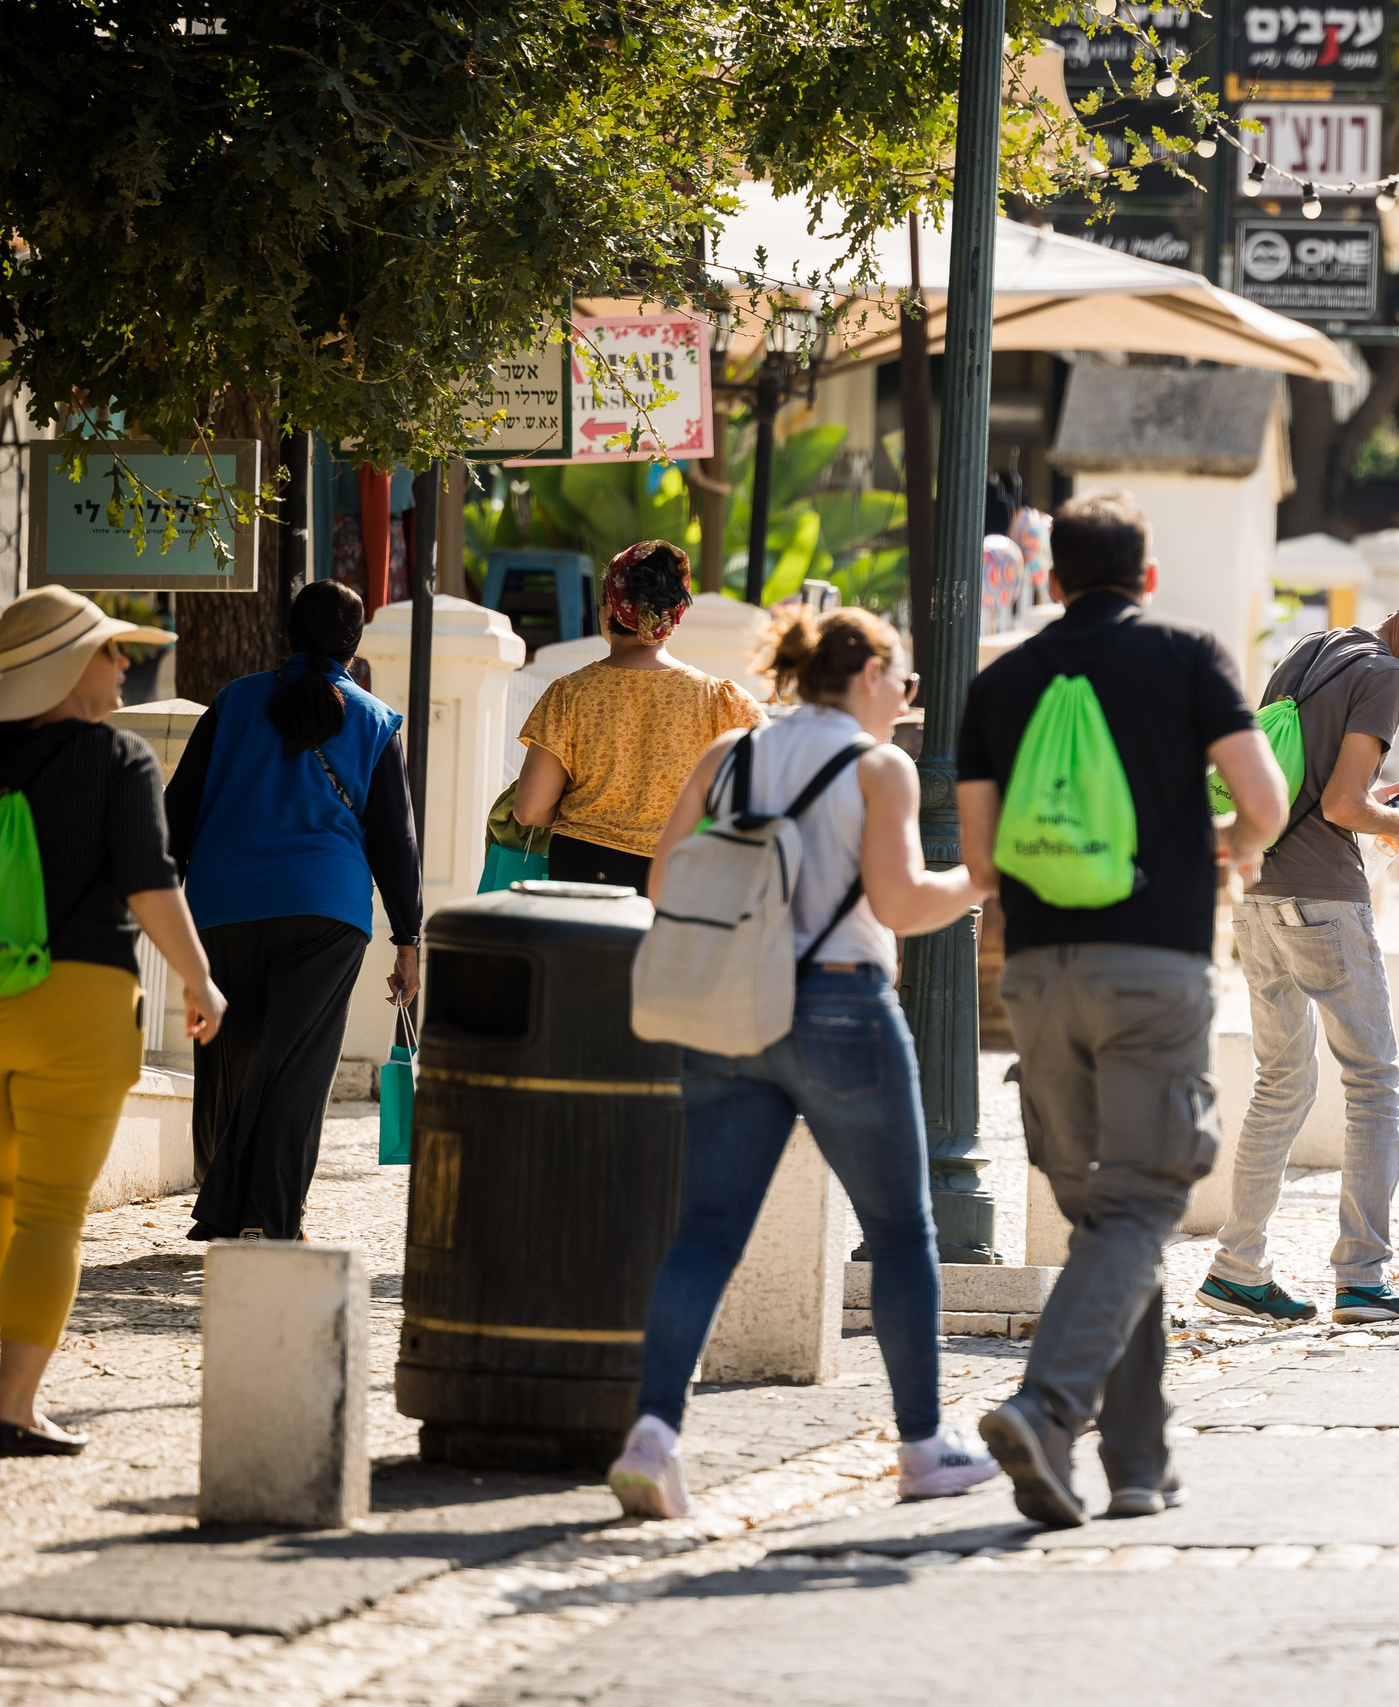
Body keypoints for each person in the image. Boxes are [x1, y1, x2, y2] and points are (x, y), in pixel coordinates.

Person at [606, 606, 999, 1517]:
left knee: (705, 1227)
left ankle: (653, 1434)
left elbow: (665, 881)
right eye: (902, 679)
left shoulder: (732, 754)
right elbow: (899, 905)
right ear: (864, 672)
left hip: (726, 1006)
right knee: (901, 1230)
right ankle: (923, 1445)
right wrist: (979, 878)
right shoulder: (879, 768)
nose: (907, 699)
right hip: (838, 1007)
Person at [956, 490, 1286, 1529]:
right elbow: (1265, 806)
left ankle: (1137, 1465)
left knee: (1108, 1217)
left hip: (1038, 977)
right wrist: (1226, 847)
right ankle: (1047, 1409)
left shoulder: (1000, 680)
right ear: (1146, 579)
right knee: (1142, 1203)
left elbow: (978, 858)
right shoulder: (1188, 655)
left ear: (1051, 580)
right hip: (1155, 968)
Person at [1197, 564, 1399, 1329]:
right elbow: (1339, 802)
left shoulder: (1315, 648)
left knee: (1283, 1081)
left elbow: (1297, 774)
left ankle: (1238, 1267)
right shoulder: (1387, 676)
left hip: (1259, 891)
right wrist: (1396, 824)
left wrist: (1370, 802)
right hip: (1324, 898)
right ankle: (1362, 1277)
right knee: (1376, 1082)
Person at [0, 589, 224, 1456]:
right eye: (108, 651)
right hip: (80, 1004)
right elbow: (149, 882)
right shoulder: (117, 758)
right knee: (51, 1211)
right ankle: (14, 1406)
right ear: (63, 668)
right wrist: (200, 979)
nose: (124, 664)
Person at [166, 582, 423, 1240]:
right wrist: (409, 937)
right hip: (324, 911)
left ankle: (226, 1207)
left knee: (234, 1058)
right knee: (295, 1065)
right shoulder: (373, 720)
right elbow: (394, 840)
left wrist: (162, 896)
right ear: (355, 641)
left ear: (287, 629)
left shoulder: (234, 701)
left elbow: (177, 809)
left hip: (223, 904)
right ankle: (266, 1215)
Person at [513, 540, 763, 890]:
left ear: (607, 609)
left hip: (582, 879)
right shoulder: (720, 701)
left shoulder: (571, 694)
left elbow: (530, 810)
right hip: (679, 881)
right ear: (674, 616)